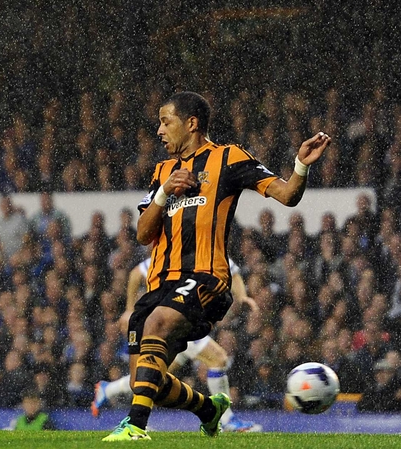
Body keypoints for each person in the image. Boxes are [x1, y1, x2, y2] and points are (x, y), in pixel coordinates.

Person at [102, 91, 330, 441]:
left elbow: (287, 195)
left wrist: (301, 165)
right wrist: (164, 192)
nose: (159, 131)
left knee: (159, 324)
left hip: (206, 279)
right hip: (160, 284)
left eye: (166, 122)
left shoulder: (228, 157)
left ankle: (134, 427)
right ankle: (210, 409)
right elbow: (143, 234)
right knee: (146, 382)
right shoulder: (163, 170)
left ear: (191, 123)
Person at [92, 257, 263, 432]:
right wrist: (129, 309)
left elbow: (232, 273)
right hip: (173, 321)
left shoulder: (212, 249)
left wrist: (242, 296)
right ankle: (227, 420)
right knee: (218, 359)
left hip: (189, 321)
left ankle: (111, 391)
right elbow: (136, 273)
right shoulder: (180, 250)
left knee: (156, 374)